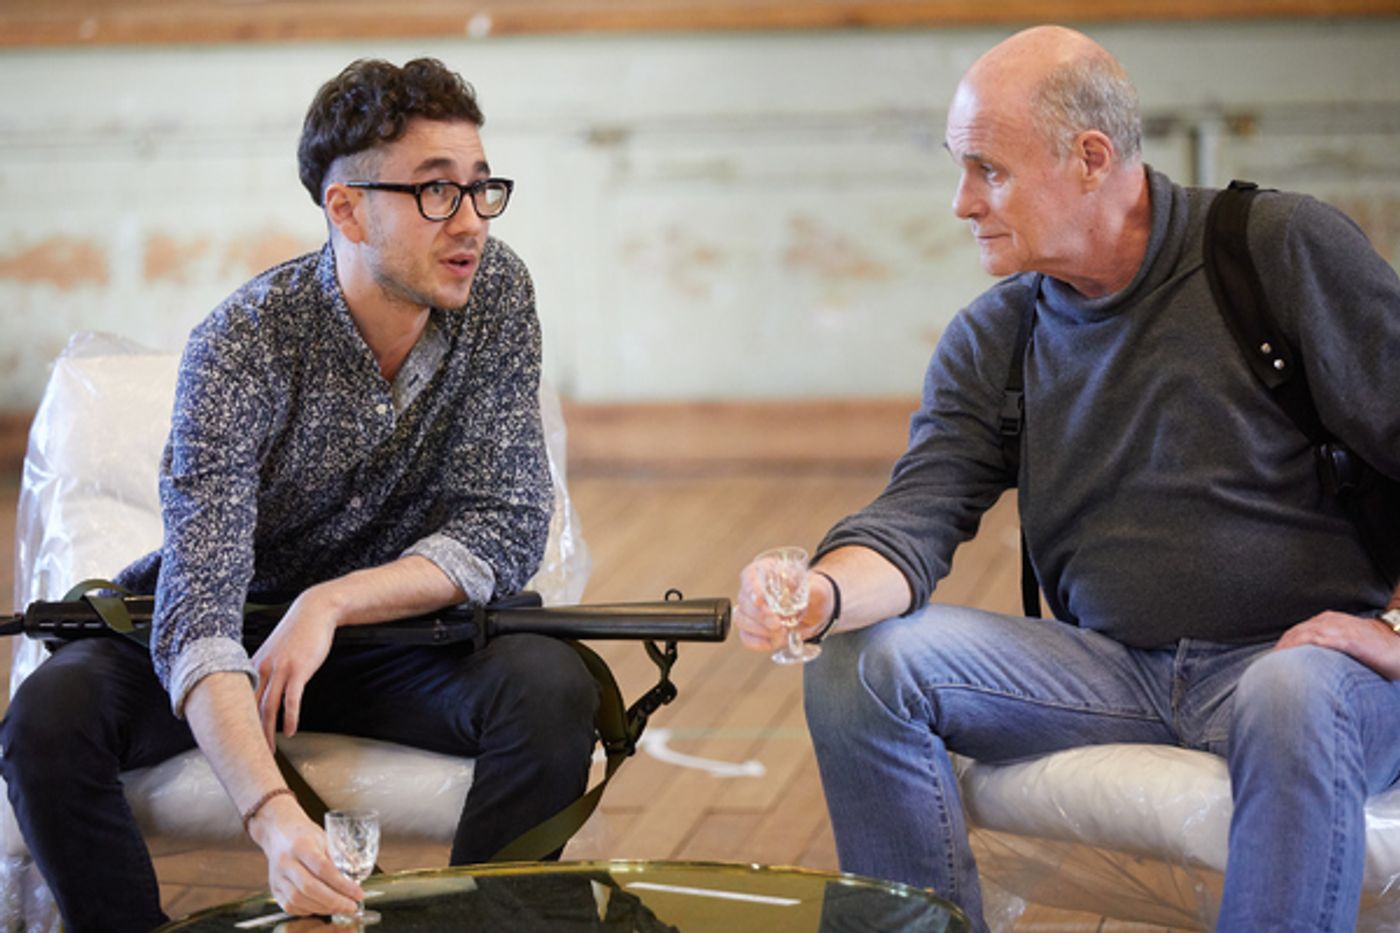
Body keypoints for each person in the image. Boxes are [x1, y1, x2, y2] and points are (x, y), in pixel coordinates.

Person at [736, 25, 1400, 933]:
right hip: (1114, 669)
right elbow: (917, 513)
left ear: (1091, 159)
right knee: (863, 661)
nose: (962, 203)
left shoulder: (1276, 248)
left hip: (1299, 668)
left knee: (1292, 689)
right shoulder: (995, 335)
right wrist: (814, 593)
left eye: (988, 171)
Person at [0, 57, 599, 932]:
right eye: (436, 192)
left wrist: (332, 602)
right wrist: (275, 819)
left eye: (481, 187)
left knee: (551, 689)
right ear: (346, 208)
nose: (470, 221)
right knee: (48, 716)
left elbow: (505, 525)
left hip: (397, 633)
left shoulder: (497, 291)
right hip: (239, 625)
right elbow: (197, 607)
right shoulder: (243, 342)